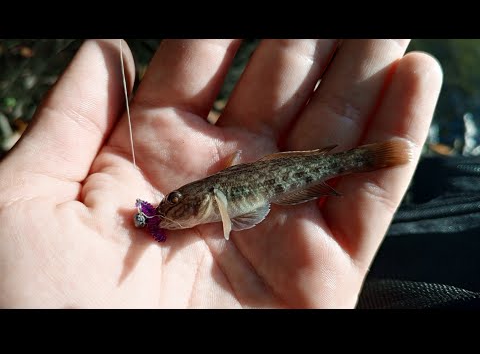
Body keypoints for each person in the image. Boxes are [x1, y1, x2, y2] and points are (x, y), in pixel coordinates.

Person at [0, 39, 442, 308]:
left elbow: (234, 210)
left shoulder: (209, 203)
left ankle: (366, 159)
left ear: (202, 202)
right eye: (171, 203)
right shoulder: (199, 207)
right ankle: (365, 159)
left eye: (174, 203)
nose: (166, 209)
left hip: (290, 176)